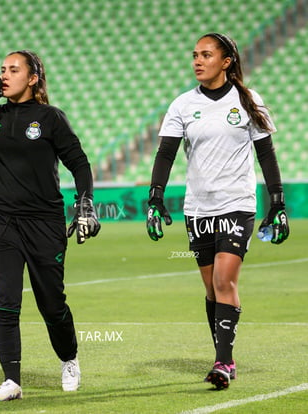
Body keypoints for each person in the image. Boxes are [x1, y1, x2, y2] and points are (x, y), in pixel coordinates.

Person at [0, 50, 100, 401]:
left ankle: (68, 358)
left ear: (33, 79)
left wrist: (85, 205)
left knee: (51, 304)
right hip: (2, 222)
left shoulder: (50, 118)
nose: (5, 75)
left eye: (14, 70)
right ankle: (11, 380)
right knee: (5, 301)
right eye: (2, 70)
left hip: (44, 223)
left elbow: (80, 163)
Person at [146, 33, 289, 390]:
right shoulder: (181, 104)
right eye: (195, 54)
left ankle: (223, 362)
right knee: (211, 290)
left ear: (226, 62)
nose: (197, 60)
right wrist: (155, 198)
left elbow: (266, 153)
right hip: (198, 209)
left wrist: (278, 202)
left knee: (225, 282)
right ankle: (223, 355)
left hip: (236, 205)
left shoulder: (248, 100)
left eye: (206, 55)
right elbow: (166, 153)